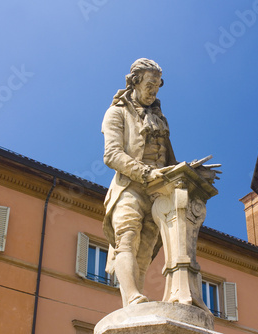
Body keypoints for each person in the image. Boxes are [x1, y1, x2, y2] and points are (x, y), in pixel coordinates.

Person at [101, 58, 177, 306]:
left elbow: (168, 159)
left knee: (145, 251)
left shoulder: (160, 120)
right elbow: (112, 154)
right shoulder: (117, 113)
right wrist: (145, 173)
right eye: (150, 84)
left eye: (157, 85)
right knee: (127, 238)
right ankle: (132, 297)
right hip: (128, 187)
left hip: (156, 194)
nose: (154, 90)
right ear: (135, 82)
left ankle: (134, 302)